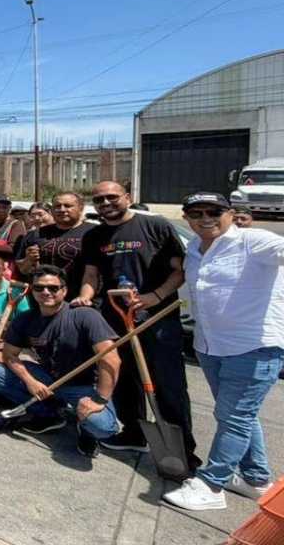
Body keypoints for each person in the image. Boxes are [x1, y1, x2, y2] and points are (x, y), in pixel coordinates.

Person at [162, 193, 284, 512]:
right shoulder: (194, 248)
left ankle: (212, 485)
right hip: (210, 346)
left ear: (229, 213)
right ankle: (256, 479)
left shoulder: (253, 241)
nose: (205, 218)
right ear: (186, 216)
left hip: (254, 347)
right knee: (239, 417)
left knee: (234, 417)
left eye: (214, 211)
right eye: (196, 212)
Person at [77, 180, 195, 462]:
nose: (105, 203)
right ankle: (133, 433)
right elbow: (91, 276)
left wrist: (155, 296)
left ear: (127, 197)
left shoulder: (156, 227)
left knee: (167, 384)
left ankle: (183, 451)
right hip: (115, 317)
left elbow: (180, 271)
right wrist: (84, 297)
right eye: (99, 199)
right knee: (125, 379)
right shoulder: (94, 236)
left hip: (157, 319)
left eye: (111, 197)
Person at [0, 265, 122, 457]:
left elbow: (111, 359)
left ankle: (87, 430)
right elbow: (9, 354)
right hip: (48, 378)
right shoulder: (25, 319)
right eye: (39, 288)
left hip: (83, 386)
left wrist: (99, 399)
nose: (46, 292)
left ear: (64, 290)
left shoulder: (85, 315)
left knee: (103, 427)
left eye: (53, 288)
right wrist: (30, 381)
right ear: (32, 291)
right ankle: (50, 413)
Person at [14, 191, 95, 298]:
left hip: (82, 299)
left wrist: (85, 297)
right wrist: (28, 260)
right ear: (52, 210)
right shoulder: (35, 234)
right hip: (45, 298)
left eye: (68, 206)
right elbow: (23, 269)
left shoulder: (94, 232)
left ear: (81, 208)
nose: (62, 209)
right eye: (57, 206)